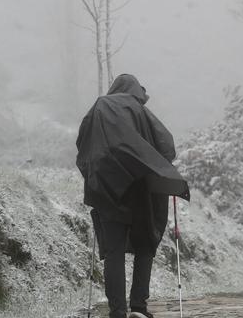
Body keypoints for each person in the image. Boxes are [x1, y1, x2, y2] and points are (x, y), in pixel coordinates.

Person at [76, 74, 190, 318]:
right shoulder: (140, 110)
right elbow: (167, 146)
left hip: (107, 189)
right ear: (137, 91)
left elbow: (83, 144)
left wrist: (95, 176)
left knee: (114, 252)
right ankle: (139, 306)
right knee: (144, 245)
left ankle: (117, 311)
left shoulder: (99, 107)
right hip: (141, 189)